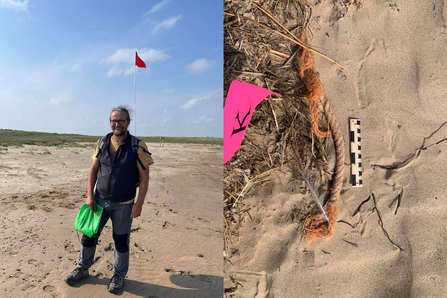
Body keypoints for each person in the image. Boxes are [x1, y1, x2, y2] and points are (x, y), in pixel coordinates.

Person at [64, 105, 154, 294]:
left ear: (128, 122)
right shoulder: (102, 142)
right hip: (98, 201)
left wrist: (139, 204)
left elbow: (145, 177)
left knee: (121, 241)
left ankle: (119, 275)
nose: (117, 123)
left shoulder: (137, 145)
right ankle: (83, 268)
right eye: (114, 120)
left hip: (123, 205)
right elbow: (94, 170)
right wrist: (90, 195)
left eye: (121, 120)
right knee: (88, 236)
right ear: (110, 122)